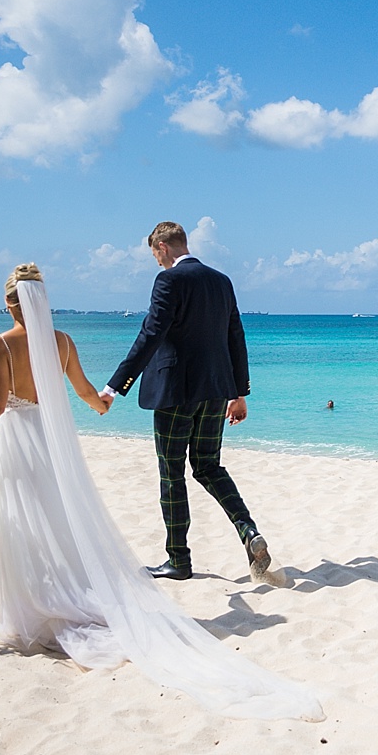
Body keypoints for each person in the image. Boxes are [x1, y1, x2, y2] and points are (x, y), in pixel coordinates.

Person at [0, 263, 321, 721]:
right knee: (61, 517)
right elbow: (85, 392)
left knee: (23, 522)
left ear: (8, 303)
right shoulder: (63, 342)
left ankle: (39, 608)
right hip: (55, 443)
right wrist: (102, 403)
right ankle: (220, 539)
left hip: (18, 443)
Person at [102, 221, 283, 586]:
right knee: (209, 467)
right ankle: (248, 532)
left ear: (163, 247)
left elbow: (151, 333)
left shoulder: (169, 281)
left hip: (174, 393)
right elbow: (235, 336)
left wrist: (115, 385)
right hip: (216, 391)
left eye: (155, 254)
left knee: (172, 474)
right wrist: (239, 392)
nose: (156, 262)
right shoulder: (221, 281)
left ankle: (178, 560)